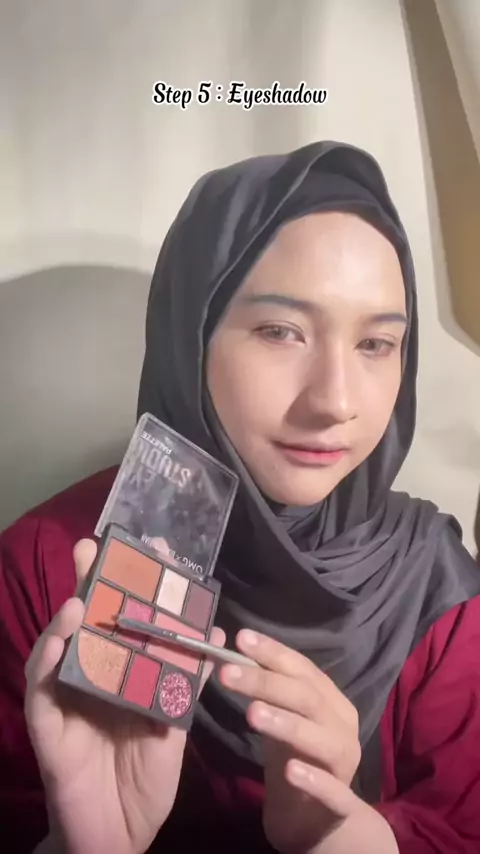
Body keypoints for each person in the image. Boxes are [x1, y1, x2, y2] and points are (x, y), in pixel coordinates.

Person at [1, 140, 480, 854]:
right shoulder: (50, 571)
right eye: (281, 332)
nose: (336, 401)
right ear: (189, 338)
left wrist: (352, 839)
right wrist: (86, 845)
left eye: (377, 344)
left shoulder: (436, 587)